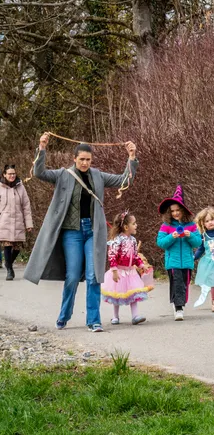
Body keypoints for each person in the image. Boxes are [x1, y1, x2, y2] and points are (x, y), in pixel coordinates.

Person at [26, 134, 138, 332]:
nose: (85, 162)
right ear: (74, 158)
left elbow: (123, 180)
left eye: (88, 159)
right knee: (72, 276)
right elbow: (39, 172)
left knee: (94, 276)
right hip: (72, 233)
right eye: (82, 159)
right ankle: (64, 315)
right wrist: (42, 148)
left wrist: (131, 157)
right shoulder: (63, 174)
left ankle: (93, 321)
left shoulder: (98, 176)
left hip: (93, 231)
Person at [156, 186, 202, 321]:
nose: (175, 213)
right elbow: (161, 243)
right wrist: (172, 236)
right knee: (177, 283)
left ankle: (180, 304)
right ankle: (178, 308)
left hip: (187, 261)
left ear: (183, 211)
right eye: (173, 211)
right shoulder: (166, 226)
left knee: (185, 283)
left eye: (178, 210)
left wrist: (189, 236)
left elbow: (198, 242)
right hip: (173, 262)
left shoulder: (191, 225)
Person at [101, 211, 153, 325]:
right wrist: (114, 271)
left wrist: (141, 265)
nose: (136, 225)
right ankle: (115, 316)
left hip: (131, 272)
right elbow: (112, 256)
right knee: (117, 293)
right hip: (119, 271)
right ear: (125, 227)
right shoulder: (117, 240)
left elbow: (135, 256)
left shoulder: (133, 240)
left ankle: (135, 316)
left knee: (133, 293)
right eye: (134, 223)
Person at [1, 164, 34, 281]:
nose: (12, 176)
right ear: (4, 175)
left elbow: (26, 206)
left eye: (13, 173)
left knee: (18, 246)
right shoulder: (0, 187)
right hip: (4, 222)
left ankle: (8, 263)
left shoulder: (21, 187)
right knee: (7, 244)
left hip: (18, 221)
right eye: (9, 174)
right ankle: (10, 270)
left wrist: (29, 224)